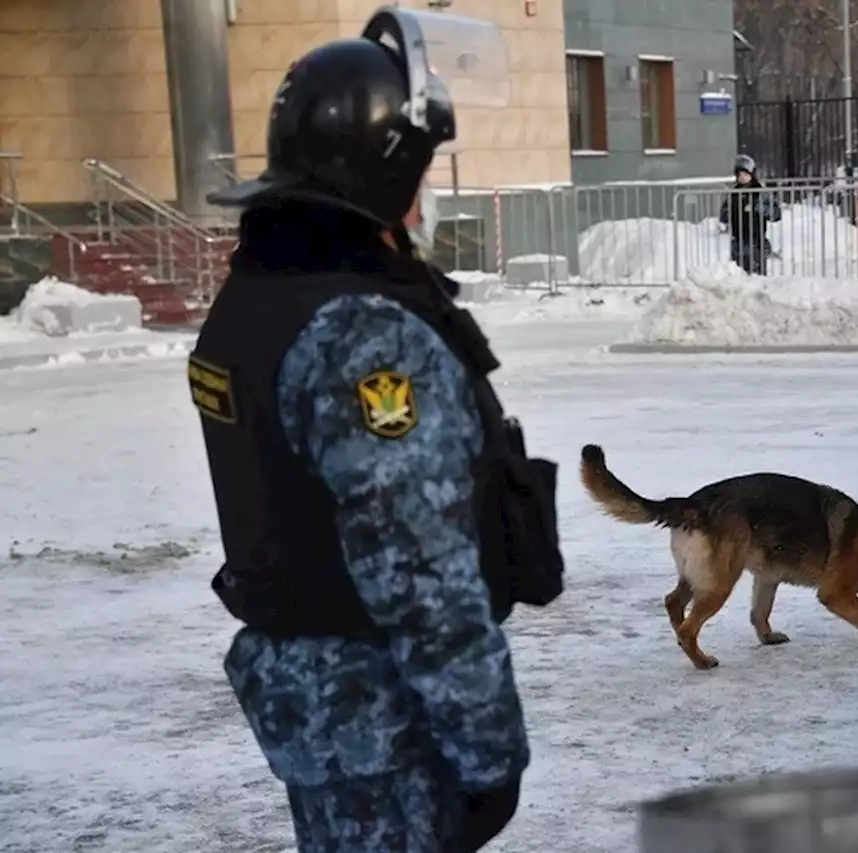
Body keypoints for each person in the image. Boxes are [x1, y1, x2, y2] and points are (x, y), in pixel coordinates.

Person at [185, 9, 564, 851]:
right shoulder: (363, 333)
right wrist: (491, 754)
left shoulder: (261, 292)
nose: (425, 192)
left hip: (321, 717)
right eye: (420, 169)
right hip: (388, 722)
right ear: (385, 171)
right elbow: (419, 572)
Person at [719, 154, 781, 275]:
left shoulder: (760, 192)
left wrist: (760, 208)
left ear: (752, 174)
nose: (742, 178)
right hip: (738, 241)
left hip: (757, 240)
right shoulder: (734, 193)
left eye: (745, 174)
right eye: (739, 175)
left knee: (758, 275)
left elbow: (776, 214)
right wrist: (729, 213)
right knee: (739, 275)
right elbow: (723, 215)